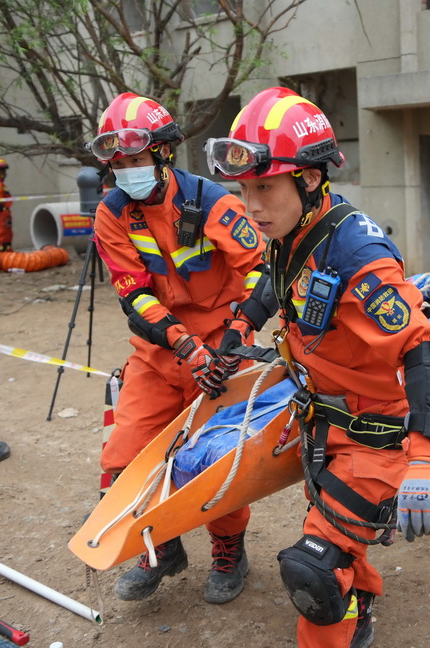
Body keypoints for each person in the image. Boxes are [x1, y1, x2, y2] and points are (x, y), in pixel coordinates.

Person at [204, 86, 430, 648]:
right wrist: (239, 330)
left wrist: (424, 460)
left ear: (310, 178)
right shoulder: (290, 233)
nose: (250, 205)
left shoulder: (357, 256)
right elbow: (275, 287)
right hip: (323, 422)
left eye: (264, 187)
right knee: (337, 539)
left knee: (313, 569)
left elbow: (425, 353)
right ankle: (357, 604)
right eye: (244, 189)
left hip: (375, 436)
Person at [90, 92, 269, 604]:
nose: (127, 172)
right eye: (118, 164)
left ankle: (229, 551)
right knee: (125, 458)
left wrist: (238, 333)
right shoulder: (112, 213)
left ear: (163, 152)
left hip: (222, 349)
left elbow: (261, 272)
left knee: (216, 462)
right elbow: (133, 294)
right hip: (160, 354)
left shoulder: (212, 202)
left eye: (136, 160)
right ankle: (162, 548)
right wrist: (182, 343)